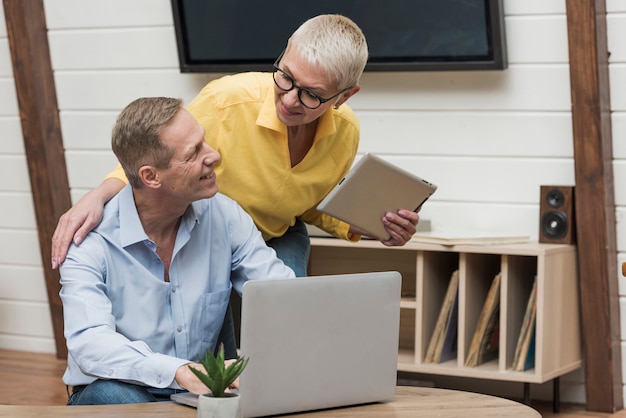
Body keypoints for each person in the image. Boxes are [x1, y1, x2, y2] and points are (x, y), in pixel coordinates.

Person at [52, 14, 419, 358]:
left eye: (311, 95)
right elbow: (159, 157)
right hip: (210, 233)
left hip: (276, 236)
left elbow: (311, 203)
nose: (289, 99)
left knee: (287, 325)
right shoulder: (226, 100)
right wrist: (98, 195)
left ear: (344, 96)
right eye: (286, 77)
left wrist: (372, 225)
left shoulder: (346, 132)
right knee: (223, 351)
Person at [60, 97, 295, 405]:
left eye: (205, 142)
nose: (214, 156)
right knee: (117, 396)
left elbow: (280, 292)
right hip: (119, 390)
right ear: (151, 176)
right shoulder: (89, 240)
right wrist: (181, 371)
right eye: (193, 153)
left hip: (194, 393)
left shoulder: (224, 217)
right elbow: (90, 343)